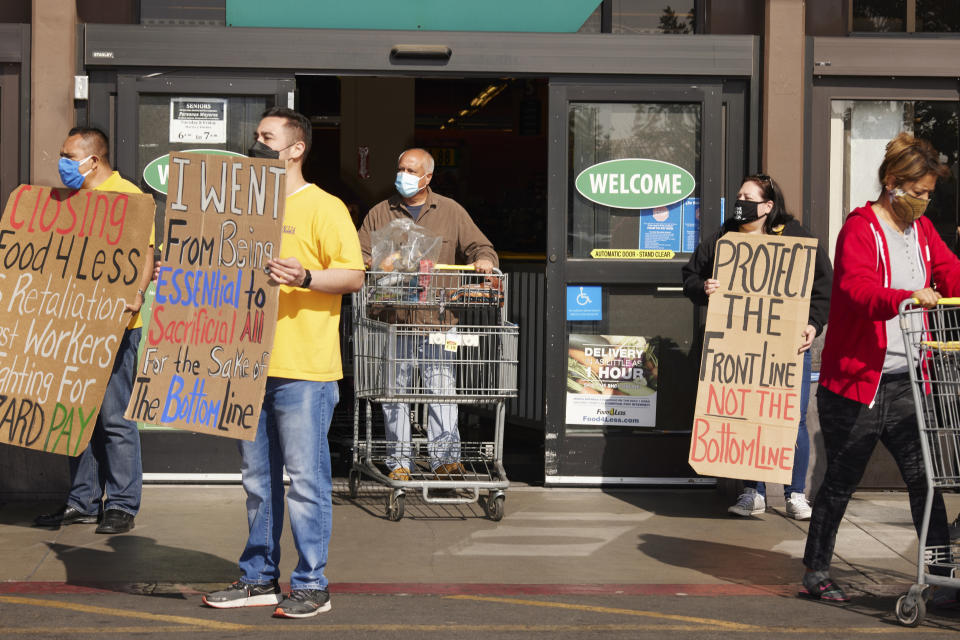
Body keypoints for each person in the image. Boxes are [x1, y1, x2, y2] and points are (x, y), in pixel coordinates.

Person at [202, 107, 364, 618]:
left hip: (303, 368)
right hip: (249, 362)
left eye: (266, 137)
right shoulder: (237, 208)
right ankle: (258, 579)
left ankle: (312, 585)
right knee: (258, 481)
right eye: (255, 137)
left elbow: (354, 276)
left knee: (306, 480)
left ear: (295, 149)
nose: (256, 144)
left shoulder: (324, 207)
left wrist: (306, 277)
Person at [801, 133, 960, 603]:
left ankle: (940, 574)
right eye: (919, 192)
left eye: (930, 194)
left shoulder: (921, 233)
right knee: (842, 480)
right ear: (893, 184)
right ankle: (816, 570)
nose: (925, 202)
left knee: (924, 480)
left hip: (908, 380)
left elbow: (949, 269)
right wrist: (905, 297)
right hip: (855, 384)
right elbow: (856, 288)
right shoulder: (860, 228)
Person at [682, 174, 832, 520]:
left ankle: (796, 494)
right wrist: (704, 286)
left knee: (791, 419)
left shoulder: (795, 235)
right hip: (741, 347)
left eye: (748, 197)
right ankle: (754, 491)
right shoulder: (725, 236)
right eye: (739, 195)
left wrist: (813, 324)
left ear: (767, 206)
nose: (740, 202)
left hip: (788, 347)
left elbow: (824, 281)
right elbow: (690, 275)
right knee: (750, 414)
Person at [34, 127, 154, 535]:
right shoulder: (68, 201)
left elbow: (145, 253)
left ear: (94, 160)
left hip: (114, 323)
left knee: (114, 416)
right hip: (71, 324)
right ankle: (83, 500)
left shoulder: (129, 199)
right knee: (74, 413)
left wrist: (137, 294)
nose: (63, 163)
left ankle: (121, 503)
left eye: (69, 156)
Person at [357, 148, 498, 481]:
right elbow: (358, 252)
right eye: (400, 168)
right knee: (394, 394)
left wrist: (486, 261)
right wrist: (371, 261)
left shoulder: (450, 211)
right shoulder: (381, 212)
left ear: (428, 177)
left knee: (442, 389)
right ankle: (400, 463)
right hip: (393, 319)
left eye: (411, 170)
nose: (403, 175)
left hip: (438, 320)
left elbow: (481, 246)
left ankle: (445, 460)